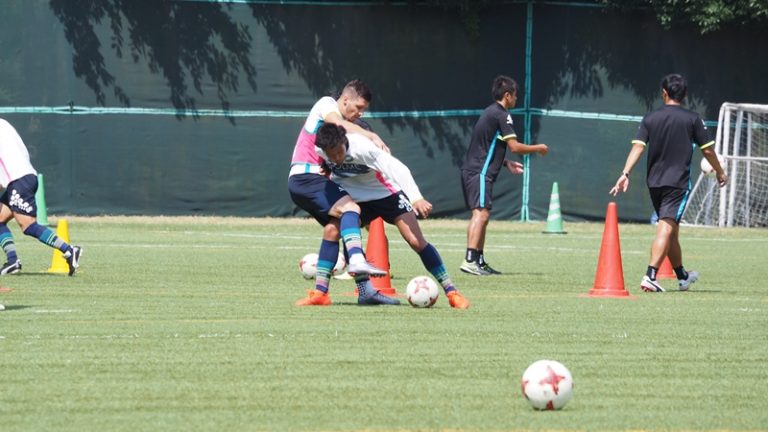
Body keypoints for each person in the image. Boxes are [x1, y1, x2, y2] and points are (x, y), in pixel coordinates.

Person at [314, 123, 471, 309]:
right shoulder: (320, 149)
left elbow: (398, 169)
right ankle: (320, 294)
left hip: (385, 193)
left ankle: (452, 292)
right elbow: (322, 163)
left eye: (339, 153)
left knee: (416, 241)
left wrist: (416, 198)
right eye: (331, 155)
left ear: (343, 141)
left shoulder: (363, 148)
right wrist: (326, 167)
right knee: (331, 230)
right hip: (354, 198)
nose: (336, 158)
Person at [610, 73, 728, 292]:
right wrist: (720, 172)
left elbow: (638, 147)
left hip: (654, 182)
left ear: (664, 93)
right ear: (685, 94)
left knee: (671, 229)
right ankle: (650, 275)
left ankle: (682, 276)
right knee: (666, 225)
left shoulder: (650, 118)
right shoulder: (693, 119)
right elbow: (708, 151)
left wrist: (625, 173)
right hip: (677, 183)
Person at [289, 80, 397, 306]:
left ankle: (326, 293)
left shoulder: (344, 123)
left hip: (308, 180)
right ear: (345, 99)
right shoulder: (327, 104)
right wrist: (371, 135)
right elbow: (338, 123)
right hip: (308, 176)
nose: (360, 113)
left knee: (335, 229)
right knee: (351, 208)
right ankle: (356, 260)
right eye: (358, 107)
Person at [460, 75, 549, 276]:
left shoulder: (489, 112)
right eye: (515, 95)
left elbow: (484, 146)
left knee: (482, 214)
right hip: (479, 172)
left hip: (475, 170)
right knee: (481, 214)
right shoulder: (502, 114)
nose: (516, 98)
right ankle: (470, 260)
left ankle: (478, 260)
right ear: (507, 95)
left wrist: (506, 163)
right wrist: (539, 148)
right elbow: (515, 147)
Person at [0, 118, 82, 276]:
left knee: (28, 225)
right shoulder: (4, 124)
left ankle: (69, 250)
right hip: (23, 177)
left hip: (19, 180)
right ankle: (12, 261)